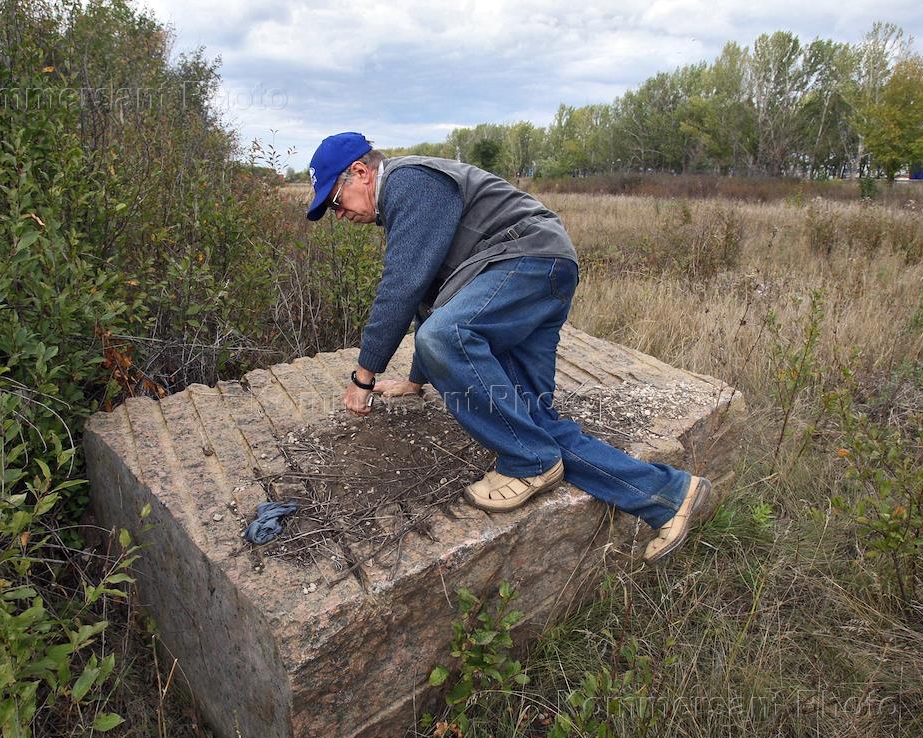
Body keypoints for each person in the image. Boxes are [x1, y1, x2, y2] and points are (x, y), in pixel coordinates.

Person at [304, 132, 711, 563]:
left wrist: (363, 377)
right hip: (539, 270)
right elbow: (430, 293)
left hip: (527, 262)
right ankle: (669, 496)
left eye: (335, 201)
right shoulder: (407, 199)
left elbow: (402, 288)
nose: (339, 214)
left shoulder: (409, 182)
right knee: (528, 422)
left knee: (448, 343)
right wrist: (416, 379)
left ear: (361, 172)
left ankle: (529, 462)